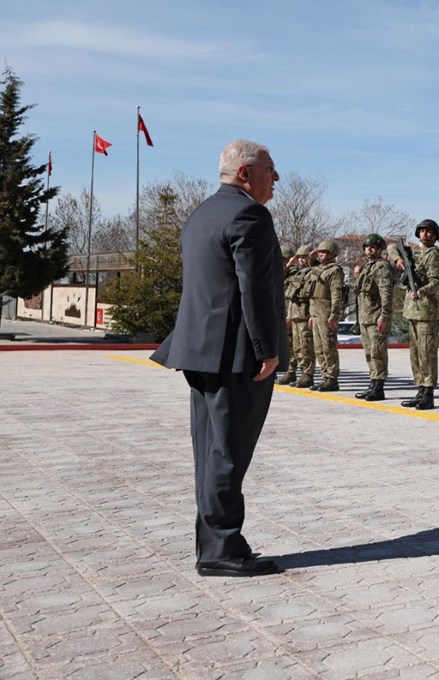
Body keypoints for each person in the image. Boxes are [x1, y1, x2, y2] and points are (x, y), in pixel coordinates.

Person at [149, 139, 283, 577]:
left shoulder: (204, 212)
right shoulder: (250, 215)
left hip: (200, 351)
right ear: (246, 173)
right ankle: (221, 549)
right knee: (227, 451)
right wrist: (267, 350)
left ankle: (216, 542)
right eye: (270, 169)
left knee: (209, 451)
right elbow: (254, 289)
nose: (275, 178)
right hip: (236, 355)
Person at [393, 219, 439, 410]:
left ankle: (428, 392)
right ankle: (420, 389)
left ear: (435, 235)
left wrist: (422, 291)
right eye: (422, 231)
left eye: (429, 231)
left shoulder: (433, 255)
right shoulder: (413, 252)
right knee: (415, 354)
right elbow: (393, 248)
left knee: (426, 354)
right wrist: (398, 259)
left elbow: (435, 282)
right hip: (411, 311)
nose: (425, 234)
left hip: (426, 311)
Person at [351, 233, 395, 401]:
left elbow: (386, 294)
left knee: (378, 353)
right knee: (369, 353)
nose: (369, 249)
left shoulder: (382, 267)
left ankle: (379, 386)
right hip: (365, 317)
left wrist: (384, 316)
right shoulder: (367, 267)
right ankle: (373, 382)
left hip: (376, 316)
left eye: (372, 246)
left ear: (379, 249)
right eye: (367, 247)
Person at [307, 240, 346, 392]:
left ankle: (332, 378)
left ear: (333, 254)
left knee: (328, 346)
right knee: (319, 347)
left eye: (324, 252)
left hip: (326, 310)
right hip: (315, 311)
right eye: (320, 252)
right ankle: (325, 376)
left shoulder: (334, 271)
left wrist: (334, 315)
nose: (321, 255)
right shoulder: (319, 269)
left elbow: (336, 294)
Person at [281, 243, 316, 388]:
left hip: (304, 314)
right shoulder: (294, 272)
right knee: (295, 347)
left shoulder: (312, 272)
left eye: (305, 257)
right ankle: (294, 372)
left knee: (305, 347)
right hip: (293, 313)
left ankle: (307, 374)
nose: (302, 260)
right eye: (300, 258)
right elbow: (278, 279)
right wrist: (287, 267)